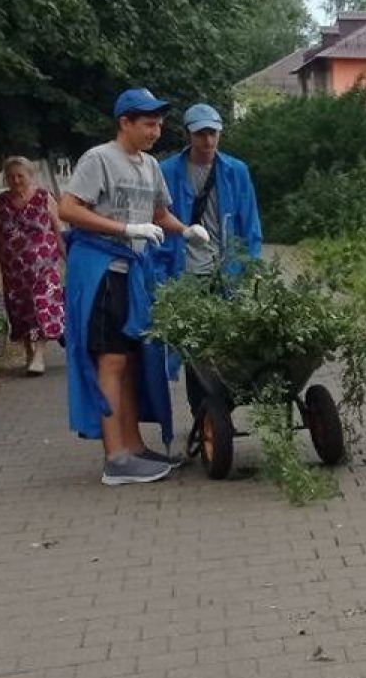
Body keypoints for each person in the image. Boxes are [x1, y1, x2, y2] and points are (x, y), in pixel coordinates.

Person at [58, 88, 211, 486]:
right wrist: (124, 228)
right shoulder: (100, 159)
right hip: (102, 270)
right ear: (124, 122)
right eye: (147, 123)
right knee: (110, 361)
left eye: (159, 124)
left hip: (134, 274)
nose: (155, 131)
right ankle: (116, 458)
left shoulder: (149, 166)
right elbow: (68, 208)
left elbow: (159, 213)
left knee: (129, 362)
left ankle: (135, 446)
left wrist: (186, 229)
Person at [155, 102, 262, 416]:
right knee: (195, 347)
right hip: (184, 270)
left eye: (213, 133)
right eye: (201, 133)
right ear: (189, 134)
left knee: (226, 341)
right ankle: (202, 413)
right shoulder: (167, 172)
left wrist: (251, 266)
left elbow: (250, 222)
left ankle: (220, 412)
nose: (208, 141)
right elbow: (158, 218)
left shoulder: (235, 171)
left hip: (225, 270)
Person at [0, 156, 66, 376]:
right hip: (14, 271)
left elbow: (59, 230)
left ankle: (39, 354)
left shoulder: (43, 197)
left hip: (44, 267)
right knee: (21, 312)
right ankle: (29, 351)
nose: (16, 180)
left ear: (30, 176)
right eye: (10, 176)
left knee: (43, 307)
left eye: (20, 175)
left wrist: (69, 258)